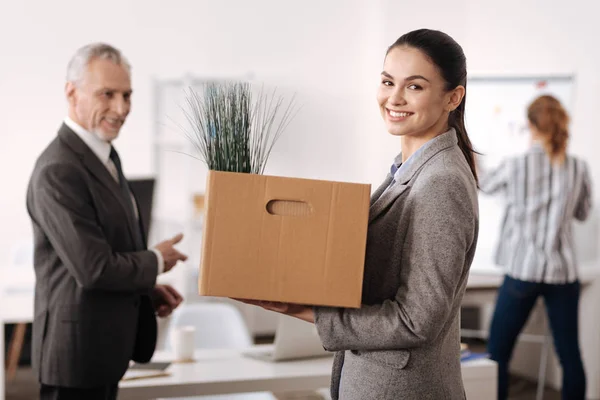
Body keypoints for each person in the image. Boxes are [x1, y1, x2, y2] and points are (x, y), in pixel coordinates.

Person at [240, 29, 480, 400]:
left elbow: (416, 322)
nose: (394, 97)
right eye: (388, 82)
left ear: (453, 97)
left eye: (414, 87)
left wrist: (308, 311)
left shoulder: (441, 182)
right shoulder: (408, 170)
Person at [26, 43, 188, 400]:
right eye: (108, 94)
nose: (121, 109)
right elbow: (94, 267)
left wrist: (143, 290)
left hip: (100, 352)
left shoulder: (104, 155)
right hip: (75, 358)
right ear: (72, 93)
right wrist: (157, 260)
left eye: (127, 95)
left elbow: (109, 248)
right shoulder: (59, 169)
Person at [481, 94, 592, 400]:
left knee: (499, 351)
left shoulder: (516, 165)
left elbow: (485, 185)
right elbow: (582, 214)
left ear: (530, 125)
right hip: (563, 273)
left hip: (522, 270)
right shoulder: (578, 168)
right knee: (569, 354)